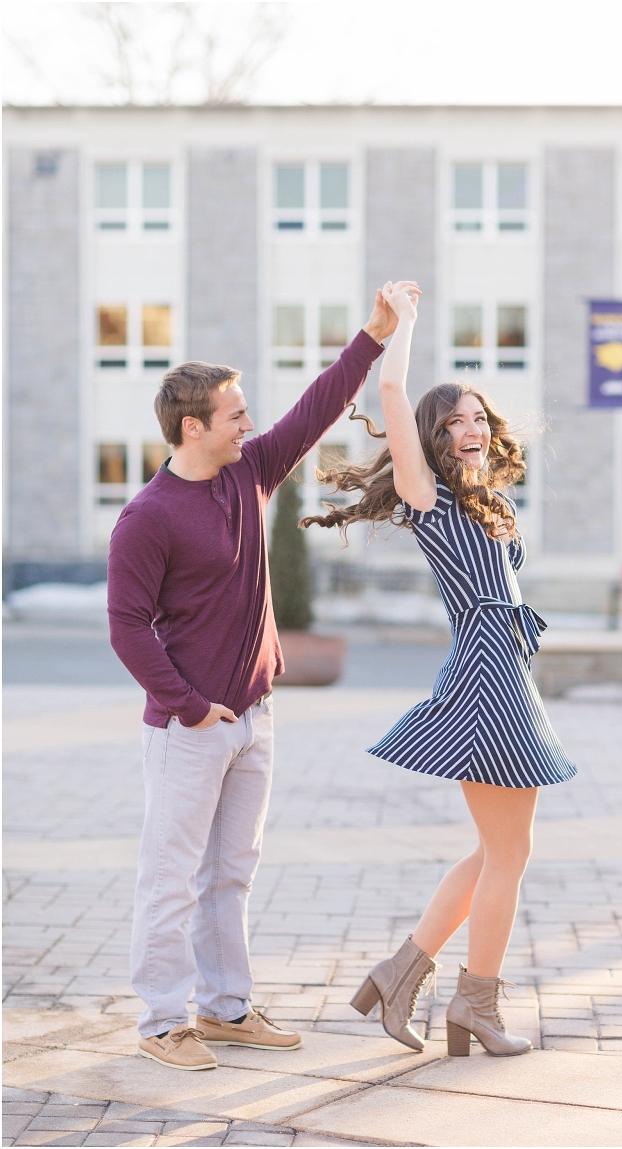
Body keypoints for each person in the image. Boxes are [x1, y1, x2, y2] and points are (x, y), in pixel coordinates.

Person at [107, 287, 397, 1071]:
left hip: (256, 718)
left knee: (231, 871)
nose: (250, 422)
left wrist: (371, 338)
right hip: (189, 730)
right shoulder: (148, 516)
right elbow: (127, 628)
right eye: (235, 412)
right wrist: (191, 707)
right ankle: (165, 1019)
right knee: (170, 877)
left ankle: (226, 1006)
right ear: (191, 425)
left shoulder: (250, 472)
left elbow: (317, 409)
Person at [301, 281, 577, 1058]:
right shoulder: (430, 501)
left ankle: (405, 975)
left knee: (500, 852)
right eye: (452, 421)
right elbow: (390, 386)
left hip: (504, 671)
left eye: (478, 418)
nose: (470, 429)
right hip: (486, 676)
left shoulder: (490, 503)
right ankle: (471, 1005)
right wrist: (405, 326)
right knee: (510, 854)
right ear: (430, 437)